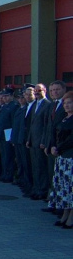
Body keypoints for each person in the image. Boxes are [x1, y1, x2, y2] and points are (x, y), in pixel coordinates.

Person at [48, 91, 73, 228]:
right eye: (65, 103)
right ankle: (65, 213)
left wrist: (59, 147)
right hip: (61, 158)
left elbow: (71, 139)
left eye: (70, 102)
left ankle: (71, 216)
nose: (67, 105)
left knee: (71, 188)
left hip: (70, 157)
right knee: (63, 187)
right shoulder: (64, 118)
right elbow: (55, 132)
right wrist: (53, 145)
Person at [26, 83, 51, 200]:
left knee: (41, 167)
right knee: (35, 166)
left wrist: (43, 141)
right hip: (32, 141)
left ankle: (42, 190)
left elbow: (46, 125)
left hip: (40, 142)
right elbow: (32, 124)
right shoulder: (35, 104)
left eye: (39, 90)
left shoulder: (47, 105)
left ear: (44, 91)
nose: (36, 92)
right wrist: (29, 139)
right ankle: (36, 189)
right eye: (35, 90)